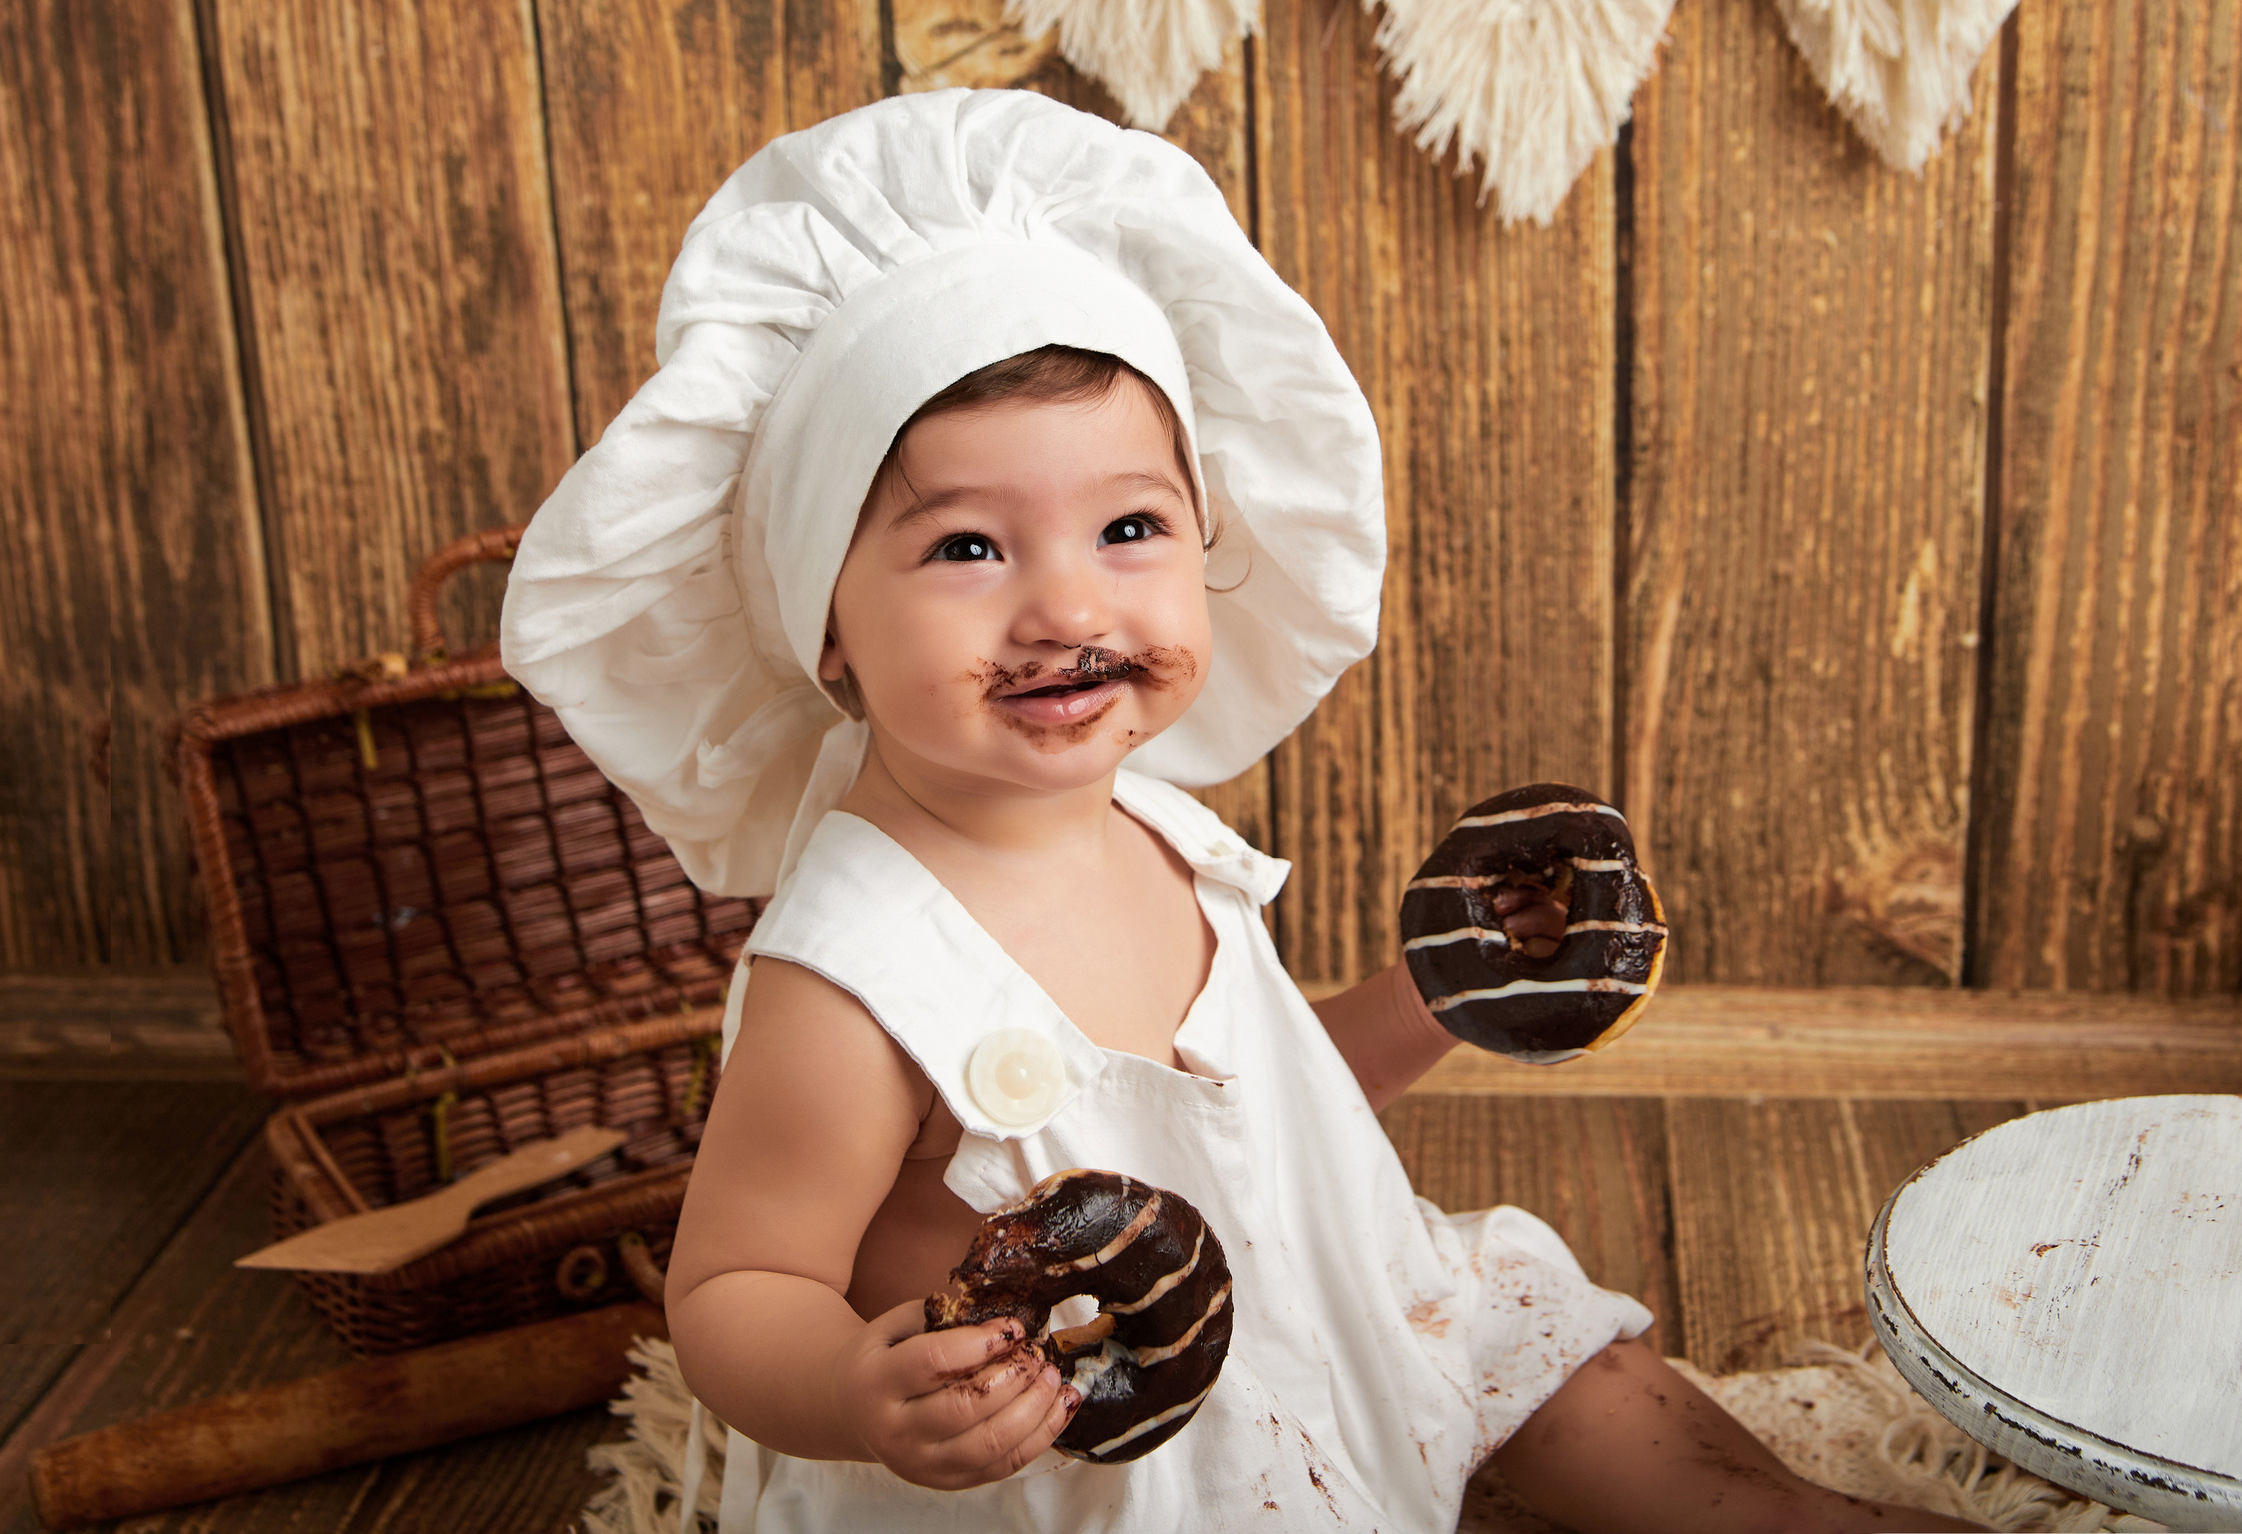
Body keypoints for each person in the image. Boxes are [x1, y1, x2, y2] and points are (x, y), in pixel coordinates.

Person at [502, 89, 1972, 1533]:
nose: (1068, 604)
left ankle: (1783, 1515)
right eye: (966, 545)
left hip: (1300, 1315)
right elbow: (735, 1288)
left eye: (1129, 527)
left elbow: (1261, 1117)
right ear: (823, 624)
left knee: (1539, 1342)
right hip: (1083, 1462)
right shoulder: (856, 976)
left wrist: (1431, 1002)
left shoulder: (1163, 834)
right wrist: (855, 1384)